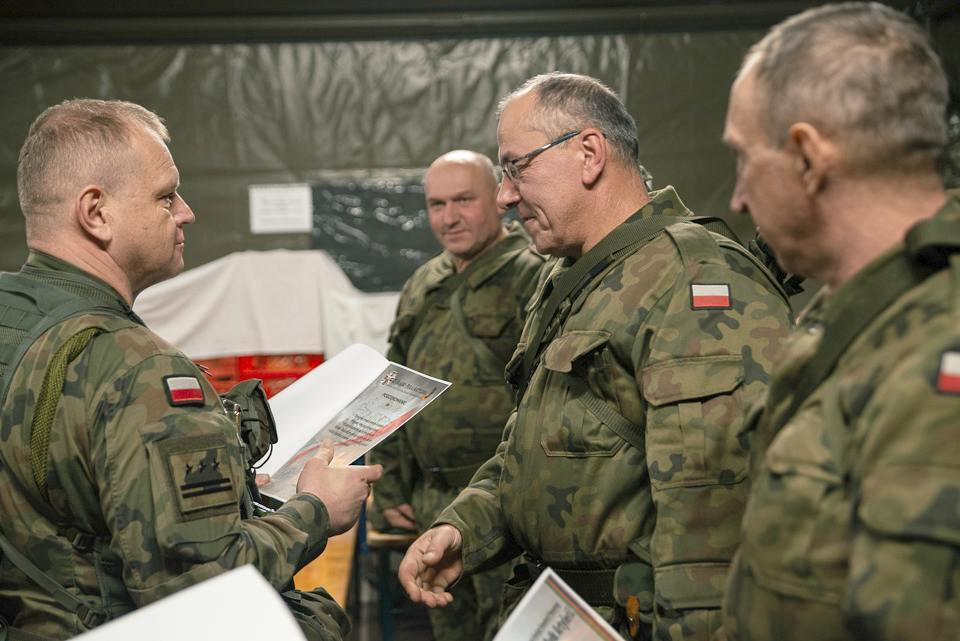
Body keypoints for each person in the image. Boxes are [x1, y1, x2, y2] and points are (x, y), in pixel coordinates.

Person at [397, 72, 794, 640]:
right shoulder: (576, 278)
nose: (506, 195)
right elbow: (534, 443)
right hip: (562, 613)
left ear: (588, 153)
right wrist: (467, 527)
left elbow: (716, 527)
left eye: (517, 167)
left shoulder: (691, 279)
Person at [0, 98, 382, 641]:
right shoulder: (139, 370)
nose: (186, 211)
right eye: (165, 196)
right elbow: (200, 592)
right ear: (96, 212)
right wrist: (317, 510)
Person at [718, 4, 960, 640]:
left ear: (807, 157)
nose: (738, 197)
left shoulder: (939, 351)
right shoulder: (865, 308)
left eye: (745, 159)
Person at [369, 149, 545, 641]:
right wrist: (390, 487)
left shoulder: (534, 276)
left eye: (464, 200)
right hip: (431, 503)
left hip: (505, 510)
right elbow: (393, 386)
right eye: (437, 204)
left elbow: (546, 396)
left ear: (499, 198)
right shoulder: (423, 284)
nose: (449, 218)